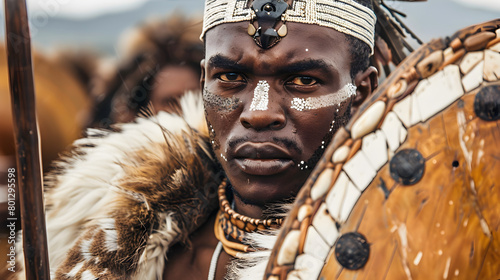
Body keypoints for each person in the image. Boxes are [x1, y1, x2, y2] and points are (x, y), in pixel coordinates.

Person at [12, 0, 409, 279]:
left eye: (303, 81)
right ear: (203, 81)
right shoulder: (95, 230)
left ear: (362, 95)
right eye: (231, 77)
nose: (258, 112)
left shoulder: (403, 255)